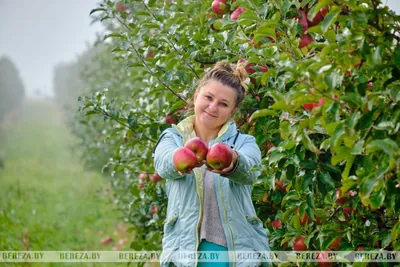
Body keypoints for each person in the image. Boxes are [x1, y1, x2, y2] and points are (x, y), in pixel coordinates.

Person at [154, 61, 271, 267]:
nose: (212, 107)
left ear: (232, 111)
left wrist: (232, 160)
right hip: (187, 253)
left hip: (235, 253)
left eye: (223, 104)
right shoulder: (173, 137)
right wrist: (182, 157)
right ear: (196, 95)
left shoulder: (243, 143)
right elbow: (163, 164)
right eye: (208, 97)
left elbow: (250, 171)